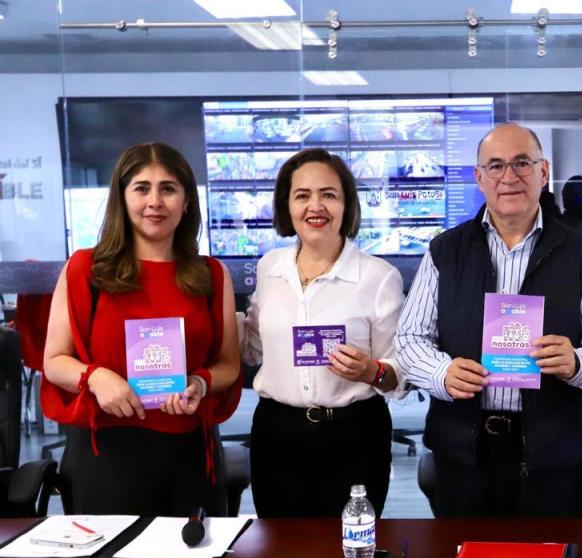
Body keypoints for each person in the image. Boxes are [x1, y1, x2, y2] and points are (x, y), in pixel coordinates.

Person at [396, 122, 582, 517]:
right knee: (466, 555)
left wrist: (578, 362)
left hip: (555, 458)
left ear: (543, 172)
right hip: (462, 455)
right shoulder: (445, 251)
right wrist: (441, 373)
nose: (509, 177)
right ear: (479, 177)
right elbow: (410, 339)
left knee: (553, 555)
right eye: (496, 166)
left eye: (522, 163)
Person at [41, 142, 241, 516]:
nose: (155, 201)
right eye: (142, 188)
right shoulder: (86, 269)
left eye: (168, 189)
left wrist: (199, 383)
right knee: (113, 556)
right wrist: (96, 377)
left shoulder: (211, 275)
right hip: (107, 453)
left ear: (186, 201)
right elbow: (54, 361)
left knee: (195, 553)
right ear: (122, 198)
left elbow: (229, 365)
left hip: (190, 454)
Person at [241, 148, 403, 517]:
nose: (316, 206)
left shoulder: (378, 276)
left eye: (328, 194)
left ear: (347, 205)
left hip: (355, 434)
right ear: (287, 206)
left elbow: (399, 372)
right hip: (276, 435)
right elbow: (255, 349)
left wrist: (371, 371)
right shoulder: (269, 268)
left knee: (350, 544)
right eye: (302, 195)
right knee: (281, 546)